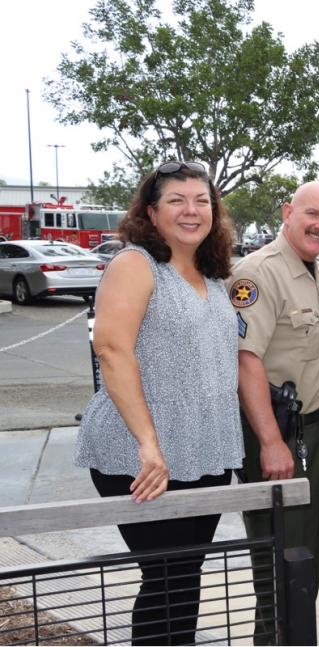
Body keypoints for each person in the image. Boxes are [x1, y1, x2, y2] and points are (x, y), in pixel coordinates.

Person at [73, 161, 243, 645]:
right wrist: (149, 443)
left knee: (185, 576)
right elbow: (111, 349)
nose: (191, 211)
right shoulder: (135, 264)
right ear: (151, 210)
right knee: (166, 576)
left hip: (204, 451)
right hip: (140, 455)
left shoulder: (211, 274)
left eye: (202, 201)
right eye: (177, 200)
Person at [225, 181, 319, 645]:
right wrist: (272, 441)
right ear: (287, 212)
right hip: (276, 438)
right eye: (313, 214)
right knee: (278, 568)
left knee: (305, 562)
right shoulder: (257, 274)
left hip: (315, 433)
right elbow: (244, 360)